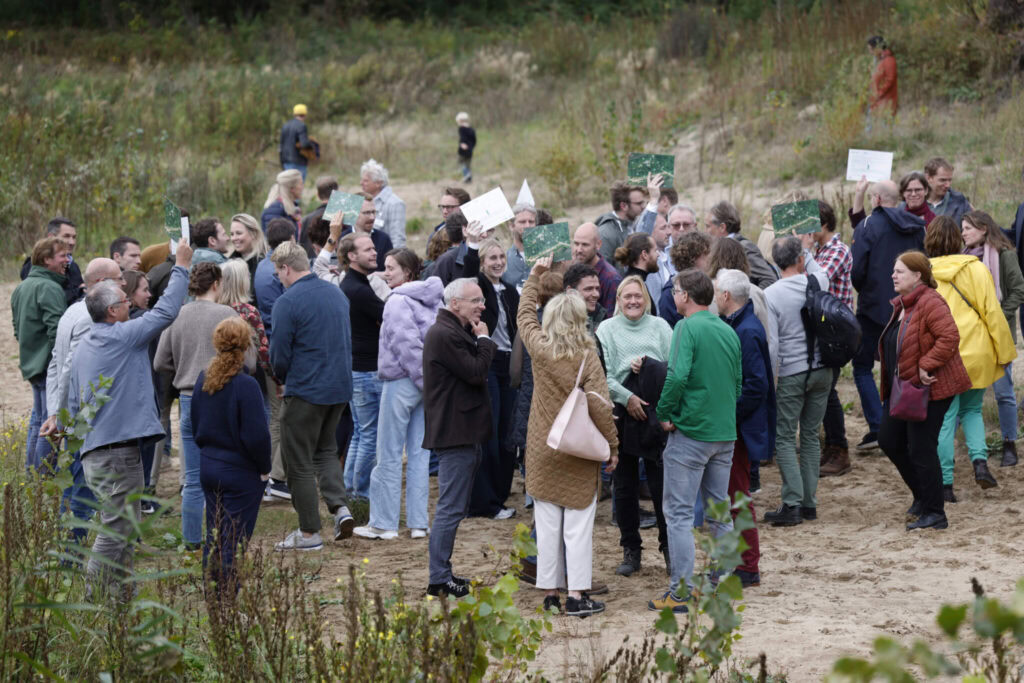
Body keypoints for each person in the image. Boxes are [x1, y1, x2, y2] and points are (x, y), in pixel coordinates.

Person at [66, 242, 193, 600]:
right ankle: (93, 600)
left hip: (96, 451)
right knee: (116, 528)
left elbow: (73, 401)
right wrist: (181, 266)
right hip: (117, 453)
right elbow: (167, 311)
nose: (131, 306)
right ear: (112, 311)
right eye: (124, 303)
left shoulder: (85, 346)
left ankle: (120, 603)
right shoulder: (122, 336)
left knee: (124, 527)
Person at [519, 258, 618, 617]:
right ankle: (576, 595)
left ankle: (549, 594)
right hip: (578, 450)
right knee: (577, 527)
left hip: (542, 448)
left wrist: (534, 277)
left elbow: (523, 315)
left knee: (547, 527)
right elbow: (601, 408)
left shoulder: (540, 349)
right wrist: (613, 446)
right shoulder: (587, 356)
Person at [650, 269, 741, 613]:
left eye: (675, 291)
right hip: (724, 432)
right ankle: (721, 581)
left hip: (692, 432)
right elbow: (738, 382)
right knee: (719, 511)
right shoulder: (726, 329)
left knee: (678, 514)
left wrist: (664, 412)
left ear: (685, 295)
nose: (673, 296)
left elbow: (676, 376)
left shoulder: (685, 327)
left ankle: (680, 592)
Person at [155, 262, 253, 549]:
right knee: (226, 468)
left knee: (193, 477)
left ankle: (191, 541)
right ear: (216, 284)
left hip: (188, 397)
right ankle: (225, 532)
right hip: (222, 395)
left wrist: (183, 368)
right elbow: (247, 361)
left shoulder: (178, 314)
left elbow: (160, 362)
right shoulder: (227, 314)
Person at [269, 241, 355, 550]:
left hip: (306, 389)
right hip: (339, 388)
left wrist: (280, 377)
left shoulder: (287, 302)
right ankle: (340, 508)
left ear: (286, 268)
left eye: (278, 272)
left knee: (298, 462)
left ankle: (308, 533)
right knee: (325, 451)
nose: (278, 278)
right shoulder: (335, 293)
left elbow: (278, 353)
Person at [878, 252, 970, 531]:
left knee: (921, 447)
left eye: (900, 272)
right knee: (889, 439)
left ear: (918, 276)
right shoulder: (903, 304)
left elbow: (950, 336)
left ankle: (935, 513)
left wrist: (925, 364)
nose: (894, 276)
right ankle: (922, 495)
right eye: (894, 271)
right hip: (905, 387)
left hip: (933, 388)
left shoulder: (931, 301)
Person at [926, 216, 1015, 499]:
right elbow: (992, 312)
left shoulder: (923, 272)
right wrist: (1004, 353)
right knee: (972, 410)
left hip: (943, 354)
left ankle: (946, 484)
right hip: (976, 352)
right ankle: (979, 463)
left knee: (946, 417)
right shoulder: (975, 268)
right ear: (957, 239)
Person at [355, 253, 442, 540]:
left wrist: (422, 380)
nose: (385, 272)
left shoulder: (397, 301)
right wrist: (428, 383)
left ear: (407, 272)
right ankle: (418, 523)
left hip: (402, 381)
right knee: (419, 453)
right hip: (424, 383)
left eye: (391, 268)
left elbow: (408, 345)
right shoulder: (432, 298)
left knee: (389, 452)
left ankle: (384, 523)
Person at [596, 276, 672, 578]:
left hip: (655, 410)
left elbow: (673, 366)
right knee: (624, 486)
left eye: (637, 296)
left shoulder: (661, 327)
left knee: (661, 486)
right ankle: (631, 548)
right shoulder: (607, 329)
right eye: (626, 296)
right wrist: (627, 398)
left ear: (646, 298)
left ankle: (668, 548)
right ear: (618, 299)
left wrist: (651, 366)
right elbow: (604, 374)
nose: (632, 301)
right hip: (621, 409)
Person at [41, 258, 124, 536]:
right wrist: (59, 416)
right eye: (118, 278)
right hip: (84, 417)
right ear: (101, 284)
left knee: (79, 483)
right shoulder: (90, 319)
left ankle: (69, 546)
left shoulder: (72, 311)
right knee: (83, 487)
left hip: (74, 413)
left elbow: (54, 363)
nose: (123, 283)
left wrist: (54, 410)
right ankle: (70, 553)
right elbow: (66, 367)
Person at [422, 278, 494, 598]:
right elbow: (476, 371)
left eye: (481, 300)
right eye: (475, 301)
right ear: (455, 305)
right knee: (450, 509)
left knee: (454, 507)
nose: (482, 305)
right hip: (454, 434)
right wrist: (485, 340)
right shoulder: (445, 334)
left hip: (461, 431)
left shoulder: (454, 329)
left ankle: (443, 574)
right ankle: (438, 579)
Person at [192, 317, 272, 593]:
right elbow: (257, 435)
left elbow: (195, 422)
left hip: (209, 466)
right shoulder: (246, 386)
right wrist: (265, 467)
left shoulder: (205, 379)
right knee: (234, 539)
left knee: (214, 537)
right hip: (239, 472)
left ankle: (213, 595)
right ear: (247, 344)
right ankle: (226, 600)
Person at [850, 178, 926, 452]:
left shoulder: (869, 225)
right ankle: (897, 428)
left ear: (878, 199)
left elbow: (857, 270)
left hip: (873, 309)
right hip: (908, 306)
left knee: (861, 367)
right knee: (898, 368)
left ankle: (879, 427)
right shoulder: (917, 226)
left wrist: (867, 291)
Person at [761, 237, 831, 527]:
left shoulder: (772, 293)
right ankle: (809, 503)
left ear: (775, 262)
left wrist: (772, 378)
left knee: (786, 437)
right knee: (812, 435)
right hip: (822, 369)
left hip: (792, 370)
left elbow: (773, 342)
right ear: (800, 259)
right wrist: (808, 248)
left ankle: (792, 503)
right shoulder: (818, 282)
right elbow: (819, 269)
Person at [715, 268, 772, 586]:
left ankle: (748, 567)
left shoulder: (746, 331)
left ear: (725, 296)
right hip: (739, 424)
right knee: (734, 494)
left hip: (739, 427)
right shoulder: (740, 325)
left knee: (739, 495)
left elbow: (755, 386)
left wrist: (728, 415)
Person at [961, 210, 1024, 467]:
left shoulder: (1005, 255)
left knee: (1004, 392)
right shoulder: (962, 259)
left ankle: (1009, 443)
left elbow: (1018, 289)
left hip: (998, 335)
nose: (963, 232)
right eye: (962, 228)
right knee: (966, 391)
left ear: (984, 228)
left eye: (968, 228)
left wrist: (998, 316)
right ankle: (972, 447)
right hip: (970, 336)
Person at [464, 237, 520, 520]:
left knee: (507, 434)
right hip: (489, 361)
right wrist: (473, 247)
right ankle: (484, 502)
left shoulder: (511, 290)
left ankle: (499, 496)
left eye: (501, 257)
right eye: (492, 258)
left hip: (510, 364)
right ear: (483, 262)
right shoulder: (478, 289)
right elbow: (467, 274)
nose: (498, 262)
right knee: (490, 430)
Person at [12, 236, 69, 472]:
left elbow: (17, 330)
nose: (68, 260)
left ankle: (32, 474)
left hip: (32, 366)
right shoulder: (49, 287)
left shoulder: (21, 288)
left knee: (37, 421)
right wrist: (60, 365)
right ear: (47, 260)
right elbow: (58, 332)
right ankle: (44, 479)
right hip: (49, 369)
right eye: (62, 255)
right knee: (51, 424)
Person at [339, 232, 386, 501]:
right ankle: (361, 494)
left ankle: (351, 489)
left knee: (360, 433)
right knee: (369, 435)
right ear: (351, 256)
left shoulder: (354, 284)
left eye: (373, 248)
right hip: (367, 371)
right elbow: (388, 315)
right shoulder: (357, 289)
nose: (374, 252)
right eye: (367, 249)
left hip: (358, 368)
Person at [812, 201, 855, 477]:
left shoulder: (837, 250)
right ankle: (832, 445)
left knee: (828, 391)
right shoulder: (819, 250)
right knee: (825, 391)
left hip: (835, 334)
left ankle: (839, 449)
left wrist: (803, 252)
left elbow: (818, 280)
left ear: (822, 224)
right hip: (823, 330)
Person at [703, 201, 778, 289]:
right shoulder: (715, 248)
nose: (705, 231)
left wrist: (749, 299)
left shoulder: (744, 247)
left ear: (722, 227)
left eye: (708, 226)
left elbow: (769, 279)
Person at [19, 217, 84, 306]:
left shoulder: (73, 266)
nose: (72, 242)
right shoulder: (34, 265)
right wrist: (79, 292)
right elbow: (46, 299)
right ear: (51, 237)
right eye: (66, 236)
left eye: (74, 237)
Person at [657, 231, 712, 328]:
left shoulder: (707, 284)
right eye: (706, 256)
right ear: (693, 258)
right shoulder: (671, 293)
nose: (710, 261)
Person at [571, 222, 621, 318]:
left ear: (598, 245)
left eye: (585, 245)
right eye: (576, 244)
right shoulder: (573, 268)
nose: (579, 250)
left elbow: (611, 320)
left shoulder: (611, 279)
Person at [596, 181, 647, 266]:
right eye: (639, 203)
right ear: (623, 206)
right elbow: (603, 271)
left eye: (644, 202)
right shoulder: (606, 234)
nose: (644, 206)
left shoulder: (633, 225)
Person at [340, 192, 393, 271]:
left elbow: (391, 272)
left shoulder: (384, 239)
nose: (372, 217)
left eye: (374, 212)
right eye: (367, 213)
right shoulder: (342, 238)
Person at [361, 158, 407, 249]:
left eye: (365, 181)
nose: (361, 183)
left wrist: (393, 261)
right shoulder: (362, 200)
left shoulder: (395, 204)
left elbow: (397, 240)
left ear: (378, 183)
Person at [614, 233, 661, 316]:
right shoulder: (633, 284)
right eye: (655, 250)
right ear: (644, 254)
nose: (658, 254)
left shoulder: (635, 281)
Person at [300, 175, 339, 258]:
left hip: (310, 264)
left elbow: (302, 246)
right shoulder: (342, 217)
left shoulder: (306, 219)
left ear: (318, 195)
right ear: (337, 193)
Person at [228, 213, 269, 292]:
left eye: (239, 233)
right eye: (232, 234)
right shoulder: (229, 264)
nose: (234, 238)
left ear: (253, 234)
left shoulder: (264, 264)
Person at [926, 158, 972, 223]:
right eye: (942, 180)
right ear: (929, 178)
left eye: (950, 180)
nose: (948, 185)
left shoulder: (960, 202)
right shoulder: (913, 202)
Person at [503, 202, 537, 291]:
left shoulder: (546, 256)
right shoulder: (503, 259)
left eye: (531, 222)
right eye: (522, 222)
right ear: (511, 226)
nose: (527, 226)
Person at [563, 263, 606, 331]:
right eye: (589, 289)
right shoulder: (558, 323)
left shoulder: (600, 314)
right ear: (570, 291)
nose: (596, 294)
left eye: (597, 288)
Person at [260, 169, 304, 235]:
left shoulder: (291, 208)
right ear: (292, 188)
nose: (302, 187)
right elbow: (274, 240)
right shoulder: (275, 210)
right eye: (301, 184)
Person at [279, 103, 313, 179]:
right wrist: (311, 145)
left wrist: (282, 161)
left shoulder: (285, 125)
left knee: (288, 187)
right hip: (299, 162)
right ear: (305, 114)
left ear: (294, 114)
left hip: (286, 161)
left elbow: (281, 145)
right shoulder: (301, 125)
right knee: (298, 188)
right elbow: (304, 144)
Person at [867, 35, 898, 118]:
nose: (870, 52)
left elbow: (890, 80)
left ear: (877, 48)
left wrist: (879, 93)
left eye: (871, 49)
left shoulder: (888, 60)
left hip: (884, 102)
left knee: (880, 127)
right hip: (876, 101)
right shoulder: (879, 60)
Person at [456, 111, 476, 182]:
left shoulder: (462, 129)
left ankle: (467, 175)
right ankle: (468, 176)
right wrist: (472, 147)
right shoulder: (471, 129)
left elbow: (462, 138)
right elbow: (474, 140)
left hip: (463, 149)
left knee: (461, 162)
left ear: (460, 121)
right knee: (468, 163)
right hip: (470, 149)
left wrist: (462, 144)